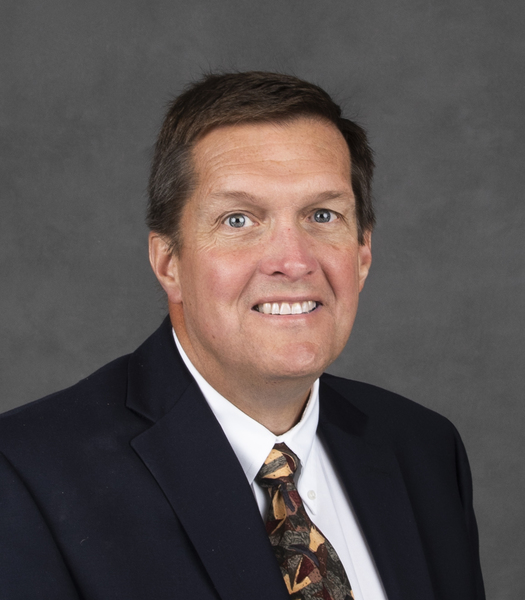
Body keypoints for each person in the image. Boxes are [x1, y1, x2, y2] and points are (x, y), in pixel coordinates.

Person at [0, 72, 485, 600]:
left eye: (322, 215)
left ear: (363, 253)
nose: (293, 261)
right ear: (168, 262)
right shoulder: (26, 475)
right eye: (238, 220)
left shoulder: (424, 450)